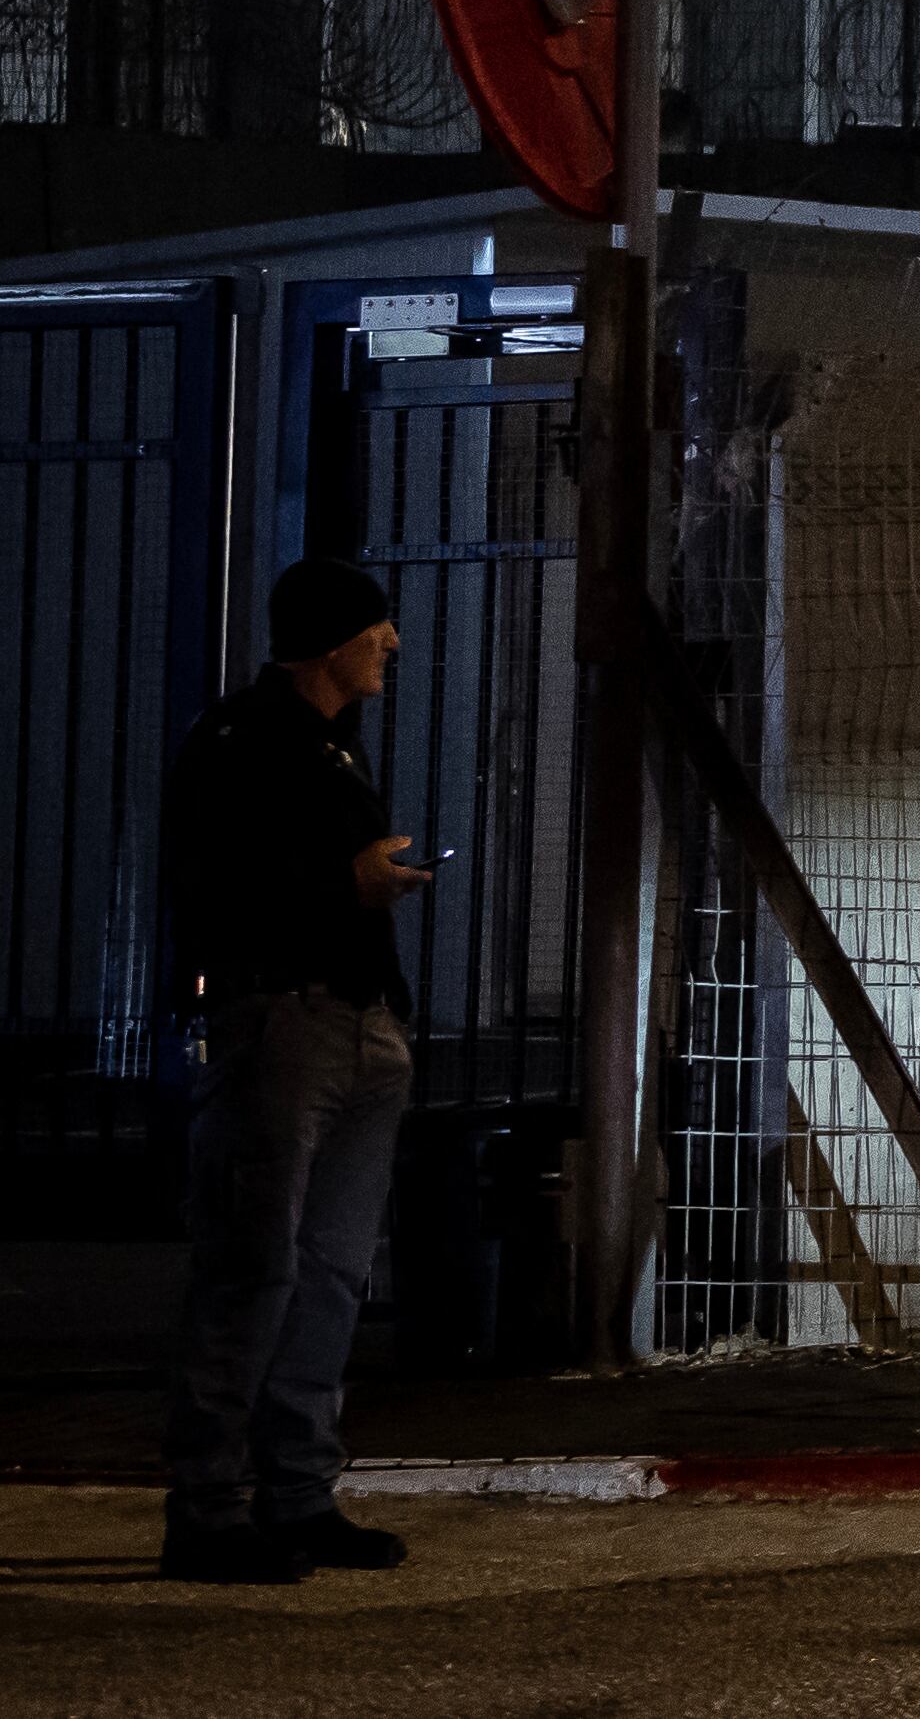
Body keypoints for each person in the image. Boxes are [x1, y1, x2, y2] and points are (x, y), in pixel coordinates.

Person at [158, 560, 430, 1582]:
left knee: (328, 1270)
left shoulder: (325, 745)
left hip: (349, 1021)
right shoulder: (242, 743)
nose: (391, 640)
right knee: (254, 1263)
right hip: (283, 1017)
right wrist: (346, 882)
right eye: (376, 625)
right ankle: (211, 1505)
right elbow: (211, 884)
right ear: (331, 642)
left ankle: (296, 1493)